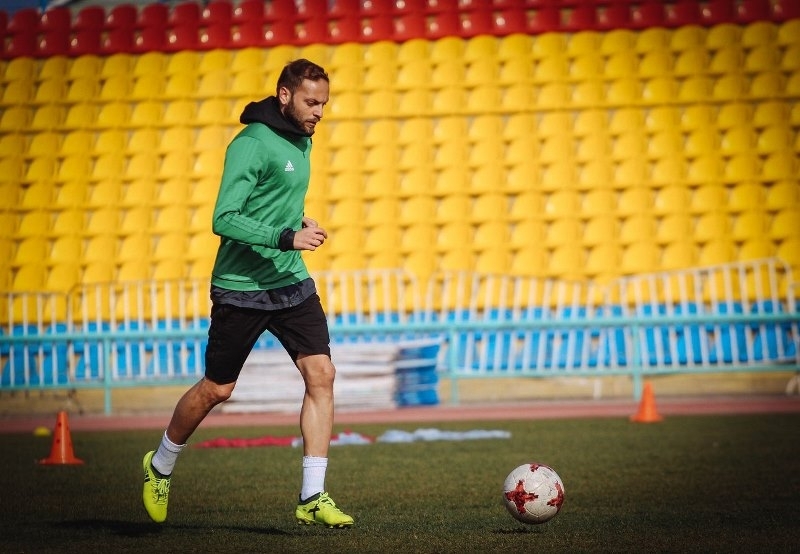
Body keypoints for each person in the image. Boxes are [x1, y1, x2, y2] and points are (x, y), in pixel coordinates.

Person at [141, 59, 354, 529]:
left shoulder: (303, 138)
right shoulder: (251, 144)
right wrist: (285, 235)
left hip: (290, 281)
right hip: (242, 288)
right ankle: (160, 464)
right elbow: (224, 217)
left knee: (321, 374)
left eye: (324, 104)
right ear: (284, 96)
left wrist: (297, 220)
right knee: (218, 389)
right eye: (311, 102)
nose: (319, 112)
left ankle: (312, 495)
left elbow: (276, 198)